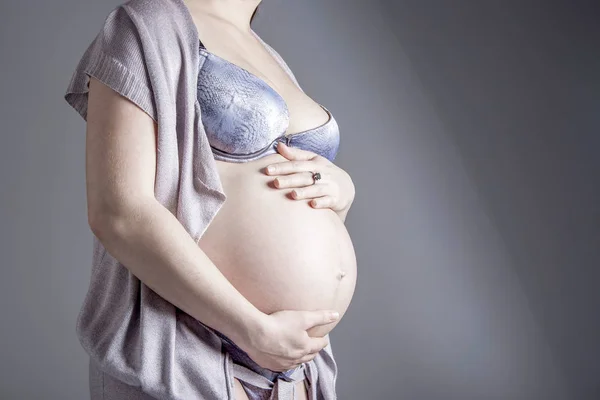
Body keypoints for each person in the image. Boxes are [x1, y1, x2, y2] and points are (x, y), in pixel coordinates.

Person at [64, 0, 357, 399]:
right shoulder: (149, 22)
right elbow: (120, 212)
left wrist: (341, 189)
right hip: (188, 346)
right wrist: (252, 330)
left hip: (293, 366)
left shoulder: (267, 53)